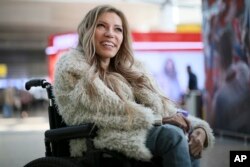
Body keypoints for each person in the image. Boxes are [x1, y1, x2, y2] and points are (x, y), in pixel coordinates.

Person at [53, 5, 214, 167]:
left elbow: (165, 109)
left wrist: (197, 128)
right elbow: (95, 116)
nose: (110, 34)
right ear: (87, 31)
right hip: (101, 138)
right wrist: (159, 120)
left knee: (190, 140)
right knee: (172, 136)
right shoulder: (73, 69)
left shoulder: (131, 72)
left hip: (139, 131)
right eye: (101, 26)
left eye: (118, 29)